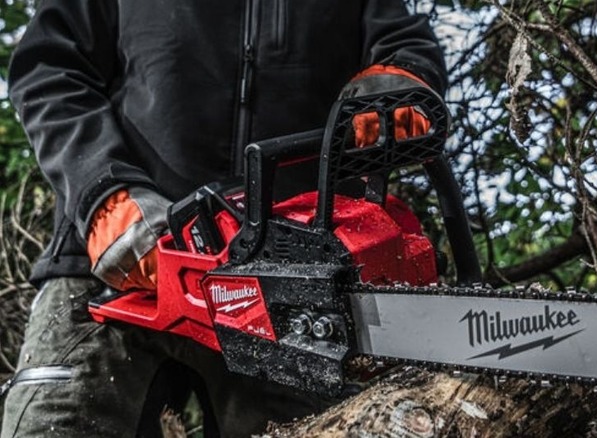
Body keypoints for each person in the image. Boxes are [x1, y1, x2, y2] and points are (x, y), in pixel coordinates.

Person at [1, 1, 447, 436]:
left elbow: (403, 42)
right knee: (61, 423)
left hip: (291, 281)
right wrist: (103, 191)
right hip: (121, 263)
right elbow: (49, 67)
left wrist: (398, 80)